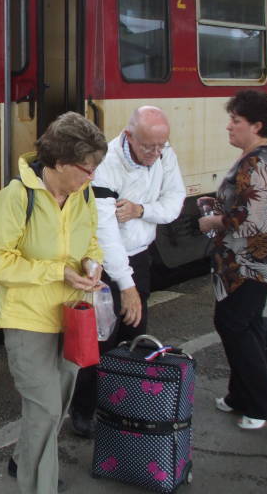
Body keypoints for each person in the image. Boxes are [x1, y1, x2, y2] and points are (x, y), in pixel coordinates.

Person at [0, 112, 107, 494]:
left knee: (56, 405)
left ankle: (23, 458)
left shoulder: (82, 194)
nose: (93, 177)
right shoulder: (15, 199)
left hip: (71, 317)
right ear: (60, 163)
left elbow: (91, 242)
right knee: (47, 409)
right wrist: (58, 272)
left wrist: (92, 264)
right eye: (87, 169)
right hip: (28, 319)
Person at [69, 106, 185, 437]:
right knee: (99, 340)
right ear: (129, 136)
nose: (156, 153)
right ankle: (84, 409)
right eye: (149, 146)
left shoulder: (165, 154)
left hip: (140, 256)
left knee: (135, 334)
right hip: (104, 264)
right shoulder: (106, 166)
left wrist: (141, 210)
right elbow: (105, 233)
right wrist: (126, 286)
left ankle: (125, 409)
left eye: (161, 145)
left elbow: (175, 203)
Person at [198, 90, 267, 429]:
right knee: (246, 324)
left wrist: (214, 220)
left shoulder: (259, 162)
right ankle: (241, 396)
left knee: (232, 324)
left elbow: (257, 220)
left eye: (236, 121)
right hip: (250, 262)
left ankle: (265, 404)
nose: (229, 127)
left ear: (257, 125)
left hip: (252, 263)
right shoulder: (258, 156)